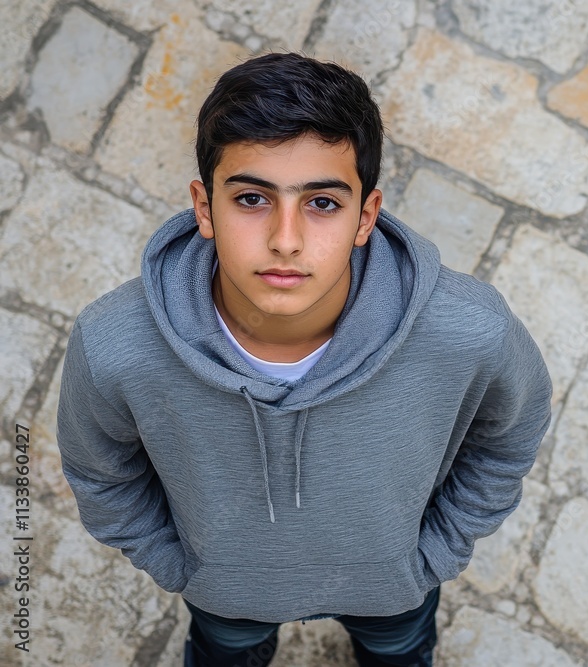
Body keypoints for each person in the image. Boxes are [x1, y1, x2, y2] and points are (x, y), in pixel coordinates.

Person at [56, 52, 552, 667]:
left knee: (398, 654)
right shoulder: (113, 345)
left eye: (321, 203)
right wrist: (190, 568)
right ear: (204, 207)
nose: (285, 239)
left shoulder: (468, 328)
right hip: (227, 601)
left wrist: (431, 558)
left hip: (393, 594)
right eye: (252, 199)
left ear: (365, 216)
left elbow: (510, 437)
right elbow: (102, 474)